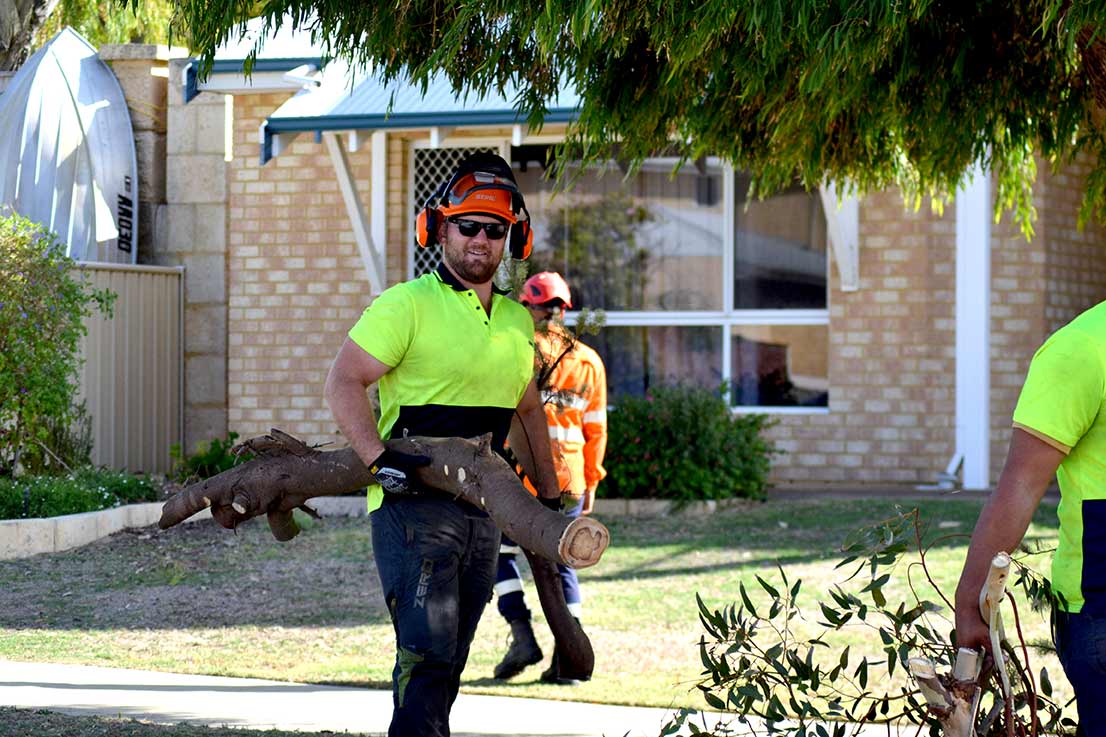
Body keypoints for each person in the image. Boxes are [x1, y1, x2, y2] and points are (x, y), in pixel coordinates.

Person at [324, 152, 562, 737]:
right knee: (426, 656)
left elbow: (527, 410)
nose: (481, 239)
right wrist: (379, 462)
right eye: (468, 225)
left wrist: (550, 501)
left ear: (513, 239)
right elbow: (343, 382)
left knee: (450, 660)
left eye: (495, 229)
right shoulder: (406, 304)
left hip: (482, 513)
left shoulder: (515, 320)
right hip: (414, 507)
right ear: (439, 228)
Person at [954, 300, 1106, 735]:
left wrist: (970, 604)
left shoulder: (1082, 345)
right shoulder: (1085, 348)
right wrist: (973, 600)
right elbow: (1020, 486)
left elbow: (1020, 486)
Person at [492, 271, 608, 684]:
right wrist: (591, 481)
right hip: (570, 478)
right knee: (563, 566)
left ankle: (522, 635)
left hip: (520, 477)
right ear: (564, 309)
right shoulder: (588, 359)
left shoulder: (520, 350)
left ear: (530, 307)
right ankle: (568, 659)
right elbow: (595, 428)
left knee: (499, 556)